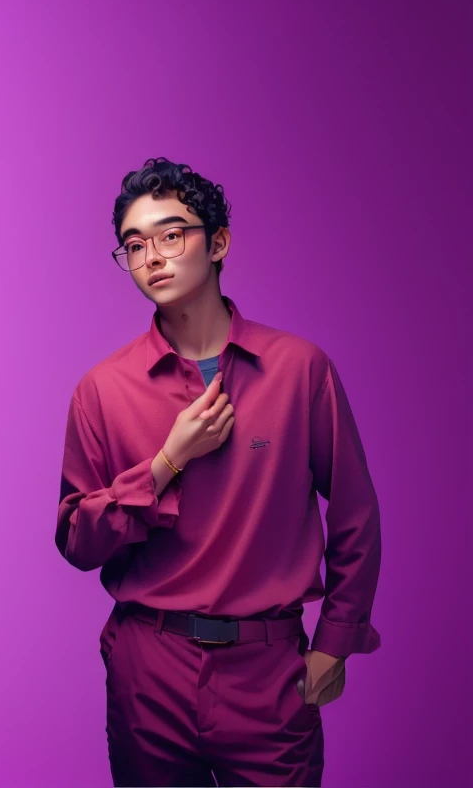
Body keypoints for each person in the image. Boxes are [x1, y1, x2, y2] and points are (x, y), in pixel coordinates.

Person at [55, 156, 381, 788]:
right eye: (134, 244)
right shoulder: (100, 390)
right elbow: (76, 541)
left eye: (172, 234)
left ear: (219, 241)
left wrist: (335, 642)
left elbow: (355, 514)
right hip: (149, 668)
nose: (152, 256)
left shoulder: (299, 369)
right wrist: (165, 463)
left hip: (268, 672)